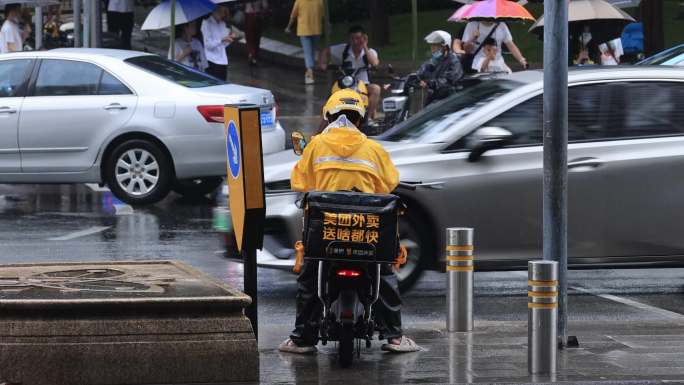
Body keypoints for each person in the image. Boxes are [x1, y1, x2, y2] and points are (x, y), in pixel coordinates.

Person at [278, 89, 421, 355]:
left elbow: (299, 182)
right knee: (385, 271)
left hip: (326, 234)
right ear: (360, 119)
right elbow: (388, 184)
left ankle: (302, 339)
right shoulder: (373, 149)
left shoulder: (316, 146)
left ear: (329, 116)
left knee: (310, 276)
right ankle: (395, 337)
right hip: (366, 234)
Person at [318, 25, 382, 123]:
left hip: (363, 85)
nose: (355, 42)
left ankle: (368, 118)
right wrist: (322, 64)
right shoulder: (343, 50)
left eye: (358, 38)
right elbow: (325, 50)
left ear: (364, 38)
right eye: (352, 39)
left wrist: (365, 46)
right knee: (329, 100)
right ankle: (325, 125)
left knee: (376, 89)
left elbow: (375, 63)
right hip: (345, 85)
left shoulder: (370, 52)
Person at [417, 31, 464, 106]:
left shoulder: (454, 62)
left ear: (445, 47)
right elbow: (422, 71)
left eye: (435, 46)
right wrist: (417, 78)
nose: (432, 49)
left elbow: (449, 81)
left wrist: (430, 83)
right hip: (434, 97)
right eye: (431, 46)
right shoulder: (434, 60)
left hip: (450, 99)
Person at [461, 21, 527, 72]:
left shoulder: (501, 25)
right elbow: (466, 50)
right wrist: (474, 38)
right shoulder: (472, 25)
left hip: (499, 64)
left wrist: (521, 60)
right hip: (479, 63)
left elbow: (511, 45)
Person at [285, 0, 323, 85]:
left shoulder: (299, 1)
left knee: (307, 52)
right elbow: (323, 14)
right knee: (312, 52)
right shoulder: (319, 1)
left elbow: (293, 15)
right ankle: (309, 71)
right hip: (316, 29)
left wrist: (288, 27)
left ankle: (310, 72)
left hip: (304, 30)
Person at [201, 5, 236, 80]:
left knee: (222, 86)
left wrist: (229, 39)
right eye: (221, 12)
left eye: (224, 12)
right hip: (211, 60)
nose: (223, 15)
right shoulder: (206, 23)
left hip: (222, 61)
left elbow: (223, 45)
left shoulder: (222, 24)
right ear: (214, 11)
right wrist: (222, 40)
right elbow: (208, 45)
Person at [244, 0, 268, 66]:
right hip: (258, 16)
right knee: (257, 38)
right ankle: (254, 58)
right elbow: (265, 6)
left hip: (248, 16)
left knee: (249, 38)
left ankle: (251, 53)